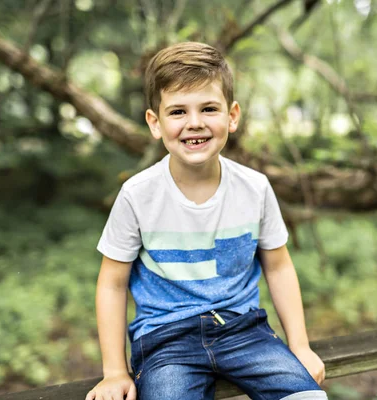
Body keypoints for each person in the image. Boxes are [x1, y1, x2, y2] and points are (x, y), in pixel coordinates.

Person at [86, 41, 327, 400]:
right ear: (155, 123)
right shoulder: (138, 195)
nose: (194, 123)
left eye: (208, 108)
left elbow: (278, 268)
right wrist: (115, 372)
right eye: (178, 111)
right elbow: (111, 284)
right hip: (165, 341)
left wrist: (301, 345)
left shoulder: (255, 188)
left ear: (232, 116)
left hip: (245, 332)